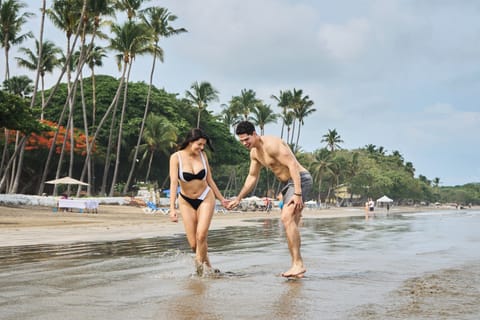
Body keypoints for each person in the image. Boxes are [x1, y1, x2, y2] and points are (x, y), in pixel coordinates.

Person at [226, 121, 313, 278]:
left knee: (286, 218)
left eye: (247, 139)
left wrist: (298, 193)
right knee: (291, 222)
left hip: (300, 180)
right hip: (288, 184)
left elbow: (292, 165)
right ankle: (297, 265)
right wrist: (239, 198)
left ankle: (298, 264)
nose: (245, 143)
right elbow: (252, 177)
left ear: (254, 134)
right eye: (242, 141)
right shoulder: (254, 153)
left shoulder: (272, 144)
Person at [169, 128, 228, 276]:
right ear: (190, 141)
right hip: (186, 201)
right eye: (199, 144)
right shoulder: (176, 158)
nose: (202, 148)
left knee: (201, 236)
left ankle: (199, 272)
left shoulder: (203, 156)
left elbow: (209, 180)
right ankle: (209, 268)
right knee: (194, 245)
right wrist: (172, 208)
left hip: (205, 197)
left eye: (204, 145)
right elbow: (173, 184)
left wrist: (222, 199)